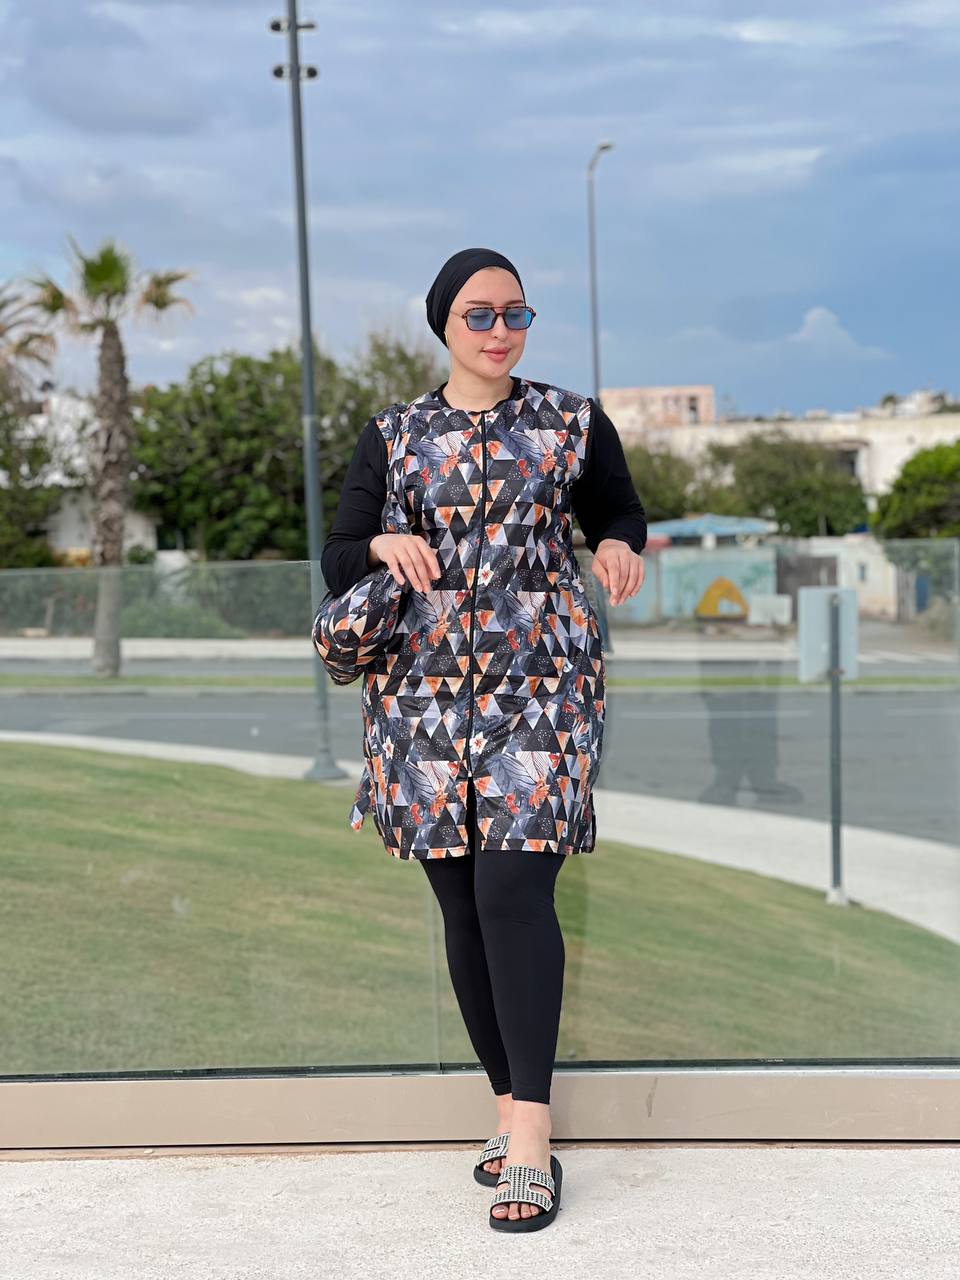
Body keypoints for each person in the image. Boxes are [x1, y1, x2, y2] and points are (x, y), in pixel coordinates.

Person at [319, 246, 646, 1232]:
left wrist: (618, 541)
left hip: (544, 688)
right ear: (444, 325)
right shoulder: (393, 436)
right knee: (462, 904)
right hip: (420, 701)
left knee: (513, 890)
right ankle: (506, 1109)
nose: (500, 330)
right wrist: (379, 542)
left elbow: (617, 508)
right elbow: (338, 555)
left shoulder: (572, 421)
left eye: (515, 313)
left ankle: (533, 1139)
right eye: (479, 314)